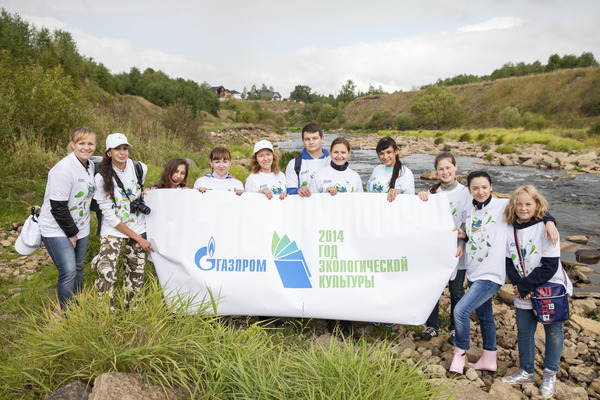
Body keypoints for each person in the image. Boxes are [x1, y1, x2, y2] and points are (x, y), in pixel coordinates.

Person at [450, 171, 557, 374]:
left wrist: (550, 220)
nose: (480, 192)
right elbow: (476, 236)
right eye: (475, 188)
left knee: (460, 311)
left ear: (491, 187)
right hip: (474, 271)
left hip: (491, 274)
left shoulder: (502, 205)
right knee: (485, 315)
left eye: (484, 187)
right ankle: (489, 358)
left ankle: (459, 353)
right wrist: (464, 236)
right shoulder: (470, 211)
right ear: (470, 190)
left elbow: (530, 204)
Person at [502, 185, 572, 398]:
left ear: (538, 205)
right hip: (522, 289)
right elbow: (508, 261)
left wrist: (525, 287)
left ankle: (550, 373)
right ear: (514, 206)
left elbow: (550, 265)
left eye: (528, 204)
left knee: (553, 330)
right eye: (519, 204)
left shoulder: (546, 227)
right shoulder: (509, 227)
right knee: (524, 330)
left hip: (547, 287)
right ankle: (526, 371)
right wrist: (517, 285)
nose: (523, 208)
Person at [38, 127, 97, 311]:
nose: (86, 147)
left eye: (90, 143)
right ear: (72, 145)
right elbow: (58, 207)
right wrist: (72, 234)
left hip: (82, 226)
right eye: (81, 143)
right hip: (57, 228)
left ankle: (77, 306)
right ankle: (68, 315)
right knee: (68, 271)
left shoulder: (90, 165)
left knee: (78, 267)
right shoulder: (62, 170)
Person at [93, 133, 153, 310]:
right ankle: (105, 313)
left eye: (125, 148)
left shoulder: (140, 167)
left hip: (138, 224)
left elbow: (139, 191)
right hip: (113, 229)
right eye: (117, 149)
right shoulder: (101, 177)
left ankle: (132, 312)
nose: (122, 152)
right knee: (106, 272)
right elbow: (110, 216)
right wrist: (138, 238)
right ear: (109, 152)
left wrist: (144, 193)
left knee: (136, 274)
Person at [417, 152, 471, 343]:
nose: (445, 171)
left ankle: (455, 328)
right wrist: (421, 199)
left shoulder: (466, 192)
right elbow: (423, 218)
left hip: (457, 249)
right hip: (437, 251)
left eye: (448, 167)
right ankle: (432, 325)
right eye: (441, 169)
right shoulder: (432, 193)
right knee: (434, 289)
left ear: (455, 168)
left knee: (456, 291)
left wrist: (461, 243)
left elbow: (468, 219)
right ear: (436, 171)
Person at [285, 122, 330, 197]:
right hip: (305, 207)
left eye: (315, 138)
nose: (311, 142)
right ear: (303, 141)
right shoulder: (294, 163)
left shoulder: (332, 161)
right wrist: (298, 190)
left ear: (322, 139)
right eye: (307, 139)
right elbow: (290, 190)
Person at [366, 136, 414, 201]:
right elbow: (368, 190)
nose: (385, 157)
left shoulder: (406, 173)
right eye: (381, 153)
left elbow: (409, 199)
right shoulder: (377, 169)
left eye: (389, 152)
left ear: (396, 151)